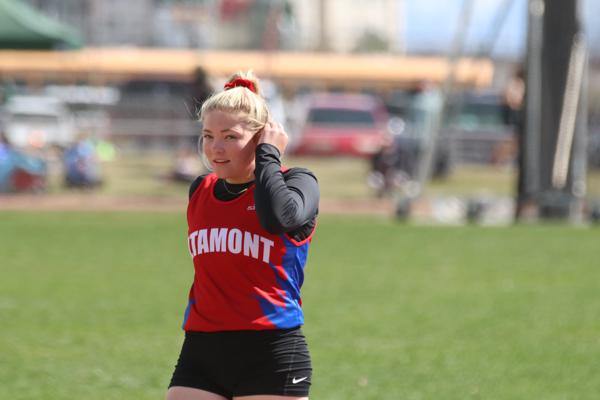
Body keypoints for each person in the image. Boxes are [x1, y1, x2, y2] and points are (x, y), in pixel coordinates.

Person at [167, 71, 319, 400]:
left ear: (262, 137)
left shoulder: (298, 182)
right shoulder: (201, 189)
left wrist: (268, 155)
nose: (215, 148)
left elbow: (277, 218)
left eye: (230, 137)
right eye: (208, 136)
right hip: (201, 348)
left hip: (270, 351)